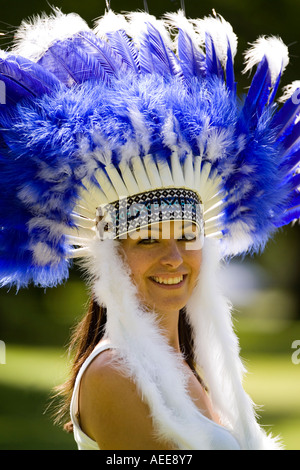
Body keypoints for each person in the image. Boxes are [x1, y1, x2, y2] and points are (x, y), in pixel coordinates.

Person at [0, 6, 299, 450]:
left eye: (187, 237)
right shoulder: (115, 376)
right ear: (111, 255)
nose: (174, 257)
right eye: (147, 239)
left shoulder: (182, 365)